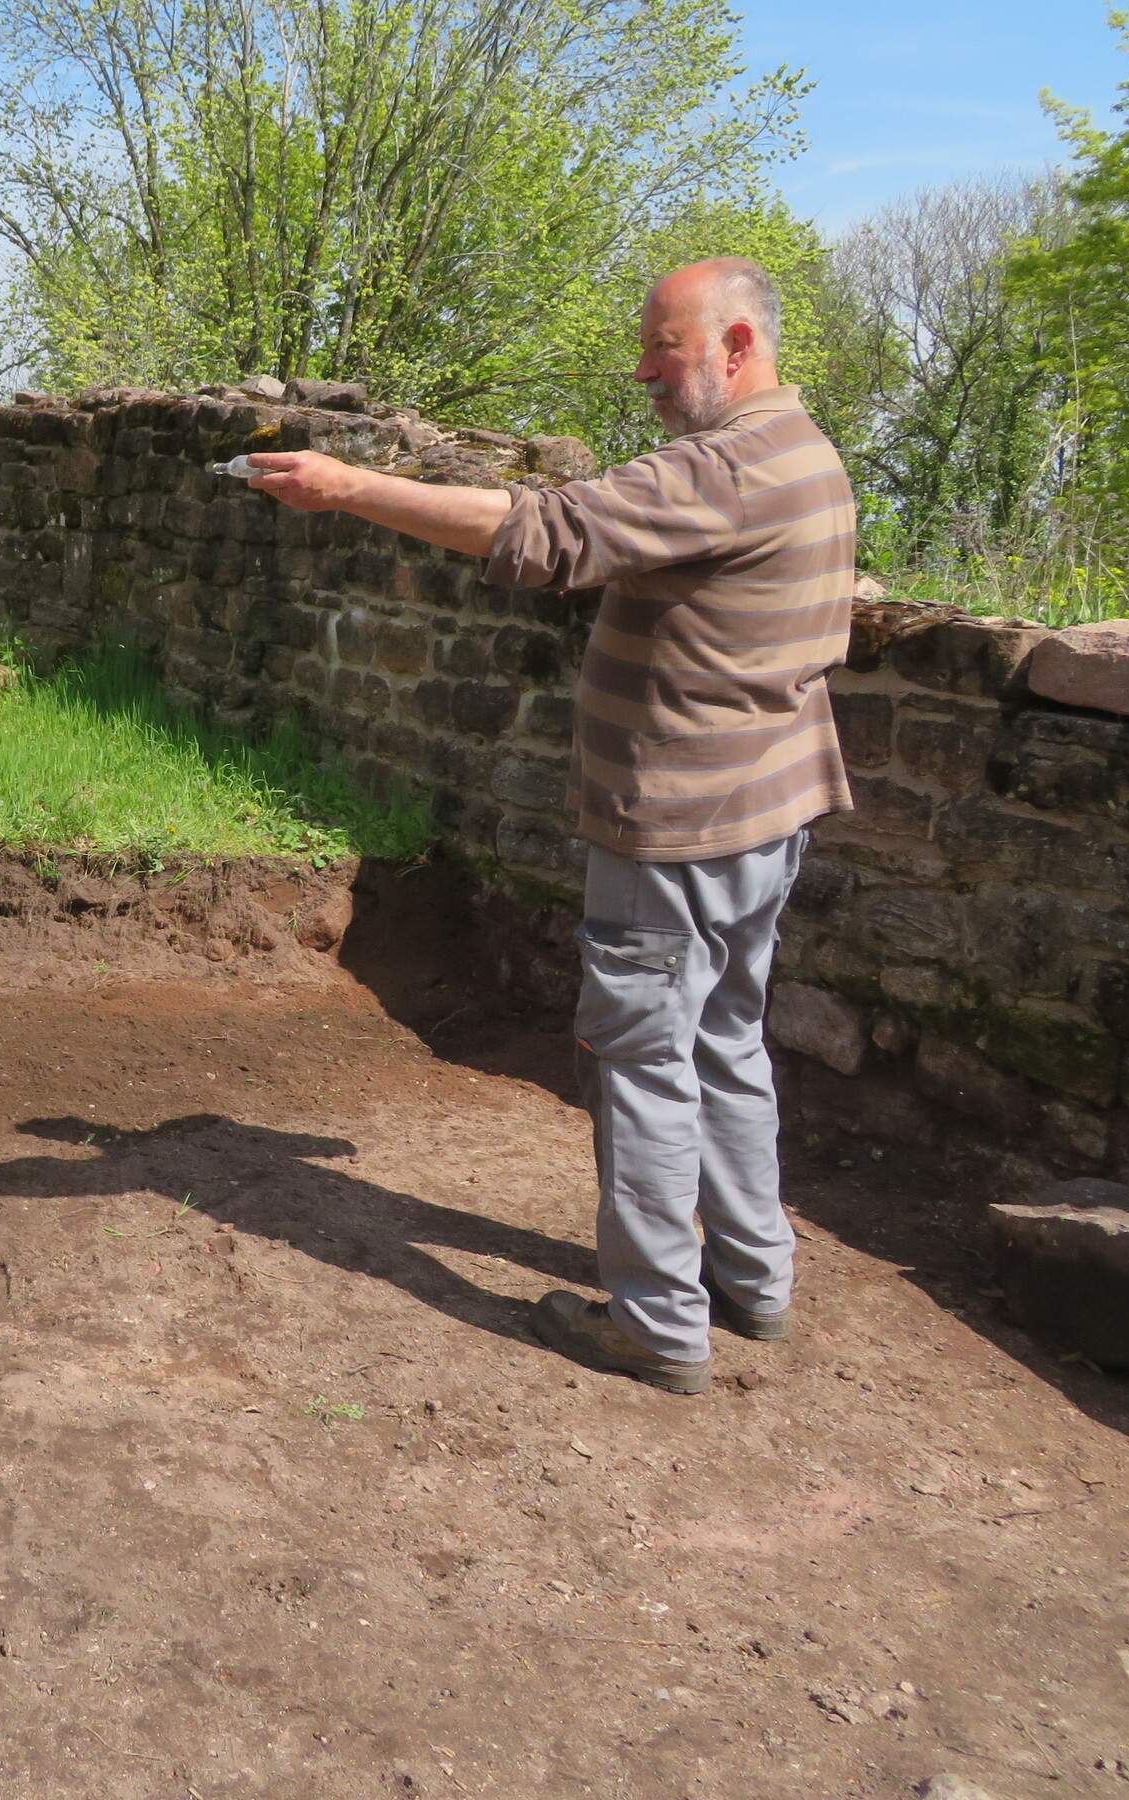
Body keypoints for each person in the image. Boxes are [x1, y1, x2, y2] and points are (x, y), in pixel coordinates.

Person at [242, 257, 853, 1396]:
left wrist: (349, 486)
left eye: (665, 349)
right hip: (765, 816)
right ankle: (754, 1280)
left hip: (678, 826)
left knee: (642, 1062)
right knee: (724, 1038)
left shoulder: (728, 465)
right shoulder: (808, 451)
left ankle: (658, 1325)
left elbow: (544, 533)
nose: (646, 373)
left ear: (736, 346)